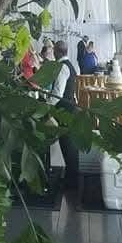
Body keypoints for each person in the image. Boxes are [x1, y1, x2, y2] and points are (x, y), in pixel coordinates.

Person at [50, 41, 78, 188]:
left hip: (64, 110)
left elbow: (57, 93)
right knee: (69, 144)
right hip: (70, 108)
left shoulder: (62, 67)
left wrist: (47, 107)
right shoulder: (71, 66)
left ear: (57, 52)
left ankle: (71, 180)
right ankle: (71, 177)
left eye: (54, 50)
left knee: (67, 144)